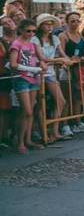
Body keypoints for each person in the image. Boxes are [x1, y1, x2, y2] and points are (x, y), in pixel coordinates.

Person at [9, 19, 44, 153]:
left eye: (34, 31)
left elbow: (35, 59)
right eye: (28, 31)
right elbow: (13, 64)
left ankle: (27, 140)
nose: (31, 33)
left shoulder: (31, 44)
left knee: (30, 111)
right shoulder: (16, 44)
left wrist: (40, 65)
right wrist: (34, 69)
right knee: (26, 111)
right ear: (21, 30)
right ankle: (20, 142)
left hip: (32, 79)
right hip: (21, 78)